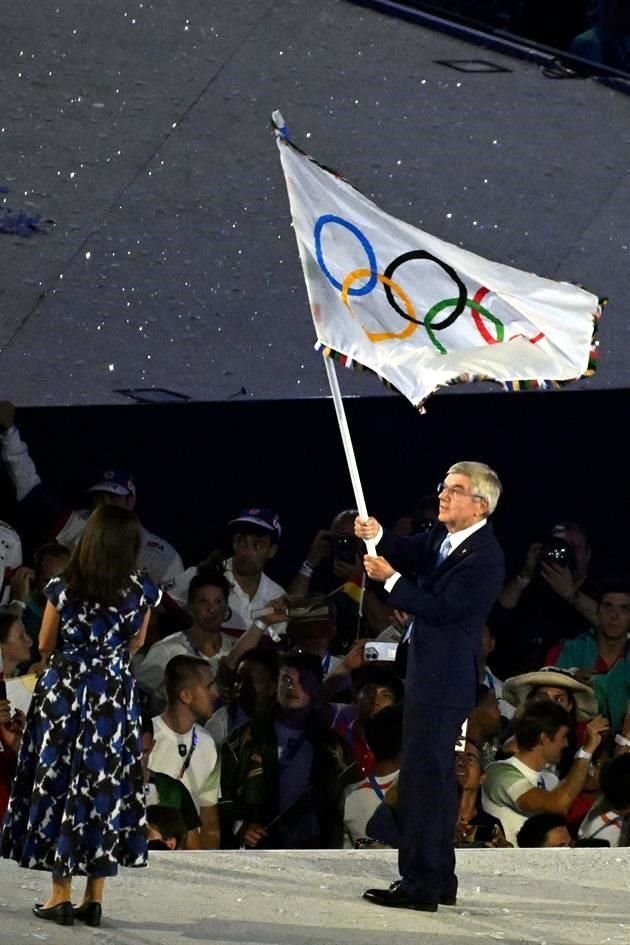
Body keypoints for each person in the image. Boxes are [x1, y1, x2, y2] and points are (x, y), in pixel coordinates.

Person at [0, 505, 161, 927]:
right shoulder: (141, 591)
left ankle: (59, 896)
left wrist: (76, 659)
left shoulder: (64, 587)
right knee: (103, 787)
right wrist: (108, 662)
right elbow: (137, 642)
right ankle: (95, 897)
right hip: (113, 697)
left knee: (64, 785)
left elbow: (45, 643)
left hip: (65, 696)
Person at [355, 460, 505, 911]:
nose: (443, 494)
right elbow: (406, 549)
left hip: (445, 680)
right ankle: (438, 877)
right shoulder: (445, 537)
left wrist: (390, 580)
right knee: (433, 780)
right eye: (443, 485)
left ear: (479, 505)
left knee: (424, 780)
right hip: (427, 674)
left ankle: (420, 882)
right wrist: (376, 536)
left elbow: (442, 609)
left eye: (454, 489)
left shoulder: (485, 557)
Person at [0, 400, 183, 583]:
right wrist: (9, 432)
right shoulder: (77, 526)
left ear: (131, 500)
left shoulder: (160, 555)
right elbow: (31, 491)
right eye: (99, 498)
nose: (105, 505)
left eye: (113, 497)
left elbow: (180, 607)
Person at [482, 701, 609, 845]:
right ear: (543, 738)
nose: (566, 744)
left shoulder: (550, 780)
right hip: (508, 865)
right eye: (563, 737)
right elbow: (556, 804)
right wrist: (586, 751)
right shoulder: (499, 774)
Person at [148, 655, 221, 849]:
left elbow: (210, 823)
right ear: (186, 695)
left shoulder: (208, 743)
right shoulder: (146, 740)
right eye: (209, 686)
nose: (216, 693)